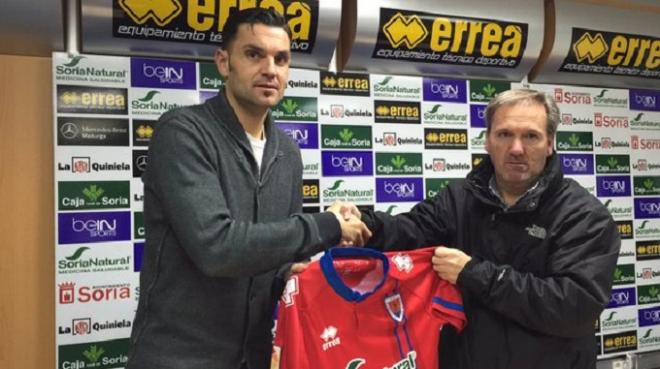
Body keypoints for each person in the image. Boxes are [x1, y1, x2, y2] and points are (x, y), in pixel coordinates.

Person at [126, 8, 370, 369]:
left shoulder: (287, 152)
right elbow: (217, 247)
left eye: (281, 59)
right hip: (177, 358)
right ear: (224, 63)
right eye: (254, 54)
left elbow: (272, 258)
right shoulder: (182, 133)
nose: (270, 69)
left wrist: (289, 275)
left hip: (251, 357)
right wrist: (328, 225)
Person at [342, 88, 621, 369]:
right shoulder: (459, 198)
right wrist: (364, 224)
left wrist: (474, 274)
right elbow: (410, 231)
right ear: (487, 141)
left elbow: (573, 307)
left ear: (550, 143)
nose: (516, 148)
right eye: (504, 134)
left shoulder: (585, 216)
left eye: (531, 136)